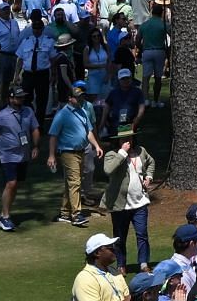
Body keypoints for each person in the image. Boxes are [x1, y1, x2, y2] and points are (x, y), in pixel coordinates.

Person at [0, 88, 37, 232]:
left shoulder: (28, 111)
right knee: (11, 183)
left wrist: (36, 146)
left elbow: (35, 128)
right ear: (10, 99)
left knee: (17, 185)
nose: (21, 100)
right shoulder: (1, 116)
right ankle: (5, 217)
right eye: (18, 98)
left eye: (22, 97)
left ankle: (4, 213)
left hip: (23, 155)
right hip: (7, 156)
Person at [101, 125, 155, 272]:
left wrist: (149, 177)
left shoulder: (141, 151)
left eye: (129, 138)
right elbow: (108, 169)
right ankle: (121, 265)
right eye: (124, 139)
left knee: (142, 234)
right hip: (120, 205)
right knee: (119, 237)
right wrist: (122, 153)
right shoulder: (112, 154)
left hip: (140, 202)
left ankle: (143, 264)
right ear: (118, 140)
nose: (127, 141)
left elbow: (151, 163)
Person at [46, 85, 100, 227]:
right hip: (68, 152)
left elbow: (88, 131)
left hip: (81, 151)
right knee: (75, 182)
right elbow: (53, 136)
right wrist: (51, 155)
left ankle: (65, 213)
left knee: (70, 183)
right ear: (70, 98)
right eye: (78, 97)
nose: (81, 99)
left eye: (82, 96)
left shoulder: (82, 111)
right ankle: (76, 215)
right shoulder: (62, 115)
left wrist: (97, 146)